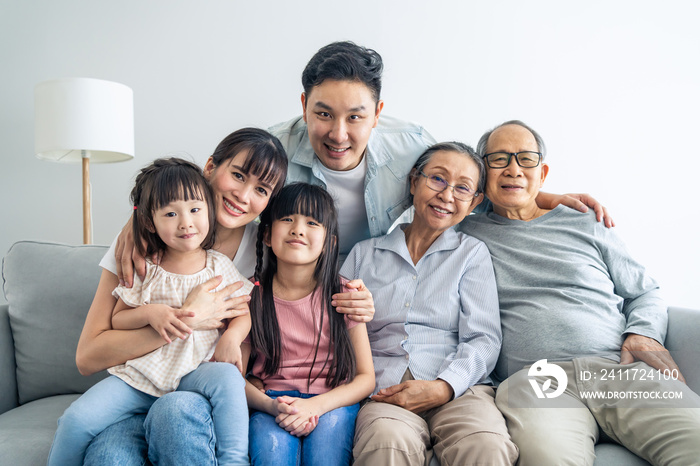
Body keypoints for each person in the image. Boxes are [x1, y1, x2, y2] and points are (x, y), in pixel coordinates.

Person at [79, 128, 373, 464]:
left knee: (176, 412)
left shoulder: (265, 250)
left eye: (261, 189)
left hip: (202, 397)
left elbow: (306, 284)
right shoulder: (146, 241)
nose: (243, 196)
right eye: (237, 175)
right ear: (209, 168)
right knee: (108, 459)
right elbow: (88, 357)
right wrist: (185, 319)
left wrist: (360, 300)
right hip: (137, 389)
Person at [460, 120, 700, 466]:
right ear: (482, 171)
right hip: (537, 379)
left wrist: (642, 333)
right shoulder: (465, 233)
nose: (513, 168)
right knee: (550, 459)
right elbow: (426, 191)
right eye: (499, 159)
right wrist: (537, 195)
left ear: (542, 172)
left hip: (618, 368)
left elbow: (644, 291)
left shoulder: (584, 221)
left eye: (525, 159)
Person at [270, 41, 613, 263]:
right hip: (290, 275)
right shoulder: (273, 150)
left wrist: (543, 199)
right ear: (304, 106)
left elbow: (462, 189)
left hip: (366, 275)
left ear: (377, 114)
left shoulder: (412, 145)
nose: (338, 134)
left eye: (355, 117)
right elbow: (226, 194)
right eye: (324, 114)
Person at [49, 158, 254, 465]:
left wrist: (232, 337)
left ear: (209, 211)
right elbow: (118, 317)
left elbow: (242, 312)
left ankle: (235, 459)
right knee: (75, 420)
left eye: (195, 210)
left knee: (228, 379)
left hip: (194, 373)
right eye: (171, 213)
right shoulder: (147, 265)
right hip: (141, 378)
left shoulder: (219, 266)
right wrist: (150, 314)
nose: (186, 222)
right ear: (149, 222)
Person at [341, 143, 518, 466]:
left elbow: (484, 338)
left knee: (486, 447)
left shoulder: (471, 254)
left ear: (475, 201)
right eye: (437, 179)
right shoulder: (364, 254)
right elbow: (333, 329)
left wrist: (444, 387)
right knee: (385, 444)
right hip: (384, 391)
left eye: (463, 188)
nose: (447, 195)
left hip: (460, 390)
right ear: (413, 182)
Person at [243, 183, 375, 465]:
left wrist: (315, 406)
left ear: (330, 243)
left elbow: (366, 378)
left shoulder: (345, 296)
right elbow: (234, 378)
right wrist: (272, 405)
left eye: (312, 222)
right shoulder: (250, 298)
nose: (298, 229)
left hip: (330, 403)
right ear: (266, 234)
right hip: (271, 404)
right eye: (287, 219)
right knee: (271, 454)